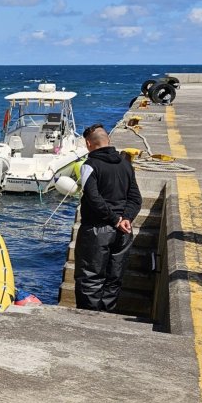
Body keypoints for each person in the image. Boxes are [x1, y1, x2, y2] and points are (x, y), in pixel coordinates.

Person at [74, 124, 143, 311]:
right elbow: (136, 198)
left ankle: (88, 318)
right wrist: (126, 218)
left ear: (89, 144)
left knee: (90, 278)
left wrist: (114, 219)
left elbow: (93, 198)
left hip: (97, 230)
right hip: (124, 231)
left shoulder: (90, 166)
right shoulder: (126, 164)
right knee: (114, 277)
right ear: (108, 140)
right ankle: (107, 316)